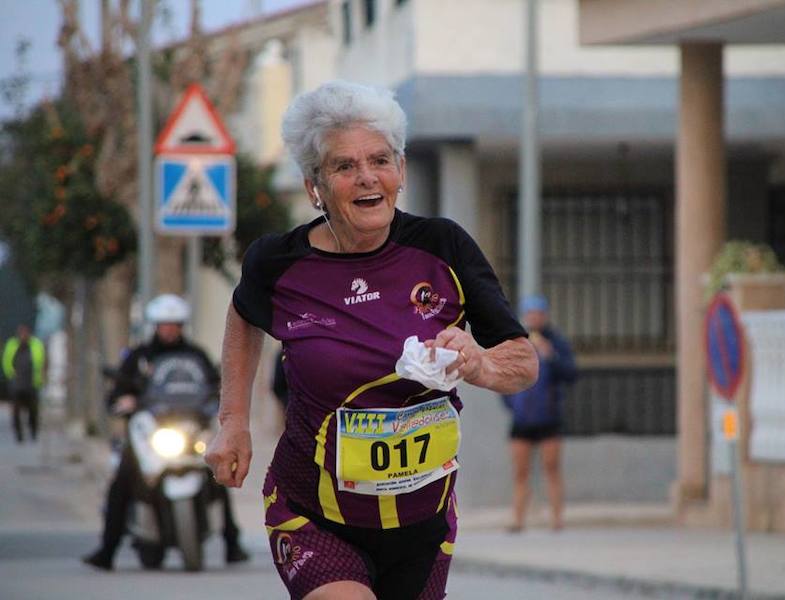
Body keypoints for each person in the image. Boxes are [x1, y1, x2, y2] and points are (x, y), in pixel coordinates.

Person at [204, 80, 538, 600]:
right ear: (315, 185)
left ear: (400, 171)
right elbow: (243, 316)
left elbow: (523, 362)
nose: (367, 178)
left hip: (422, 521)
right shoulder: (279, 262)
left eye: (380, 160)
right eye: (344, 166)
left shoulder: (442, 246)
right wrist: (233, 422)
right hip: (313, 513)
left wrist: (478, 365)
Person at [83, 294, 249, 570]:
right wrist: (124, 400)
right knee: (122, 479)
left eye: (175, 324)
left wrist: (220, 399)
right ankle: (107, 549)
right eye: (164, 324)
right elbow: (118, 392)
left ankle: (232, 543)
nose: (169, 329)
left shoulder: (196, 356)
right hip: (150, 433)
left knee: (220, 473)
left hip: (191, 431)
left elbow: (215, 384)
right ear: (155, 326)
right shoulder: (139, 357)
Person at [502, 295, 577, 532]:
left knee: (552, 468)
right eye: (530, 313)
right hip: (522, 418)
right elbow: (504, 376)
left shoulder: (556, 342)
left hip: (549, 417)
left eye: (538, 313)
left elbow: (571, 374)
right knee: (520, 472)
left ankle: (557, 519)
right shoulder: (518, 341)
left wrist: (550, 356)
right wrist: (512, 403)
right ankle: (518, 519)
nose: (535, 318)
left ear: (545, 315)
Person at [2, 323, 46, 443]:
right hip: (17, 384)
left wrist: (40, 377)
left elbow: (42, 362)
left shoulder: (36, 345)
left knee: (33, 411)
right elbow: (6, 361)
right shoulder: (12, 345)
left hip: (32, 383)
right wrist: (11, 376)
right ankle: (19, 435)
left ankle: (33, 431)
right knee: (16, 411)